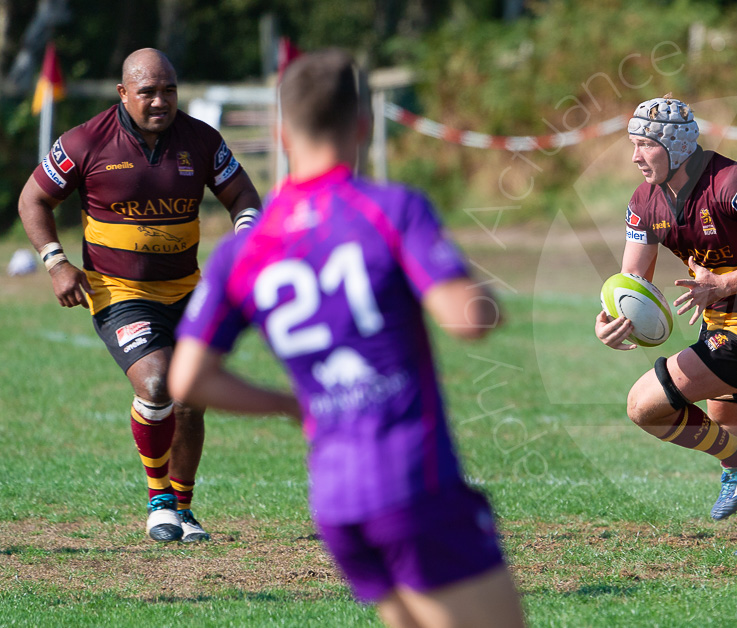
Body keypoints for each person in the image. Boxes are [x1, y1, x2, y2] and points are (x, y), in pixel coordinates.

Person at [168, 50, 526, 625]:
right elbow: (467, 319)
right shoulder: (390, 209)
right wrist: (482, 294)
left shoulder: (243, 249)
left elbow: (186, 378)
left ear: (282, 134)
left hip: (336, 502)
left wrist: (290, 404)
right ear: (362, 125)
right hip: (413, 483)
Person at [16, 48, 262, 543]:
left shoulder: (200, 139)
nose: (159, 100)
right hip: (118, 290)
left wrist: (245, 237)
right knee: (155, 386)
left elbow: (242, 195)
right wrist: (55, 261)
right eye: (147, 91)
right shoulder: (86, 140)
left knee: (191, 398)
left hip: (189, 291)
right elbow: (34, 198)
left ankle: (185, 510)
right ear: (123, 93)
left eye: (168, 89)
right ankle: (159, 501)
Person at [596, 96, 737, 555]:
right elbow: (630, 283)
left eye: (643, 146)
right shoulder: (643, 200)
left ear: (674, 146)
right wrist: (612, 322)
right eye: (632, 146)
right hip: (718, 327)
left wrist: (725, 283)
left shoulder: (736, 183)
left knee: (644, 407)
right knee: (733, 423)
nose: (635, 157)